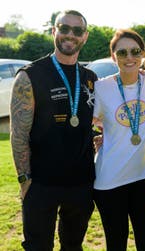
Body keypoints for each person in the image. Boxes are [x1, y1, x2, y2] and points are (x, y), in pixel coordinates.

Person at [10, 10, 97, 251]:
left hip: (81, 183)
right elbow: (18, 134)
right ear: (54, 31)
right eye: (64, 28)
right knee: (38, 247)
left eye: (77, 31)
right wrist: (24, 179)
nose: (70, 35)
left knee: (73, 246)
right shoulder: (31, 75)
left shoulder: (90, 77)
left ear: (85, 36)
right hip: (41, 183)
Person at [92, 29, 145, 251]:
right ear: (113, 57)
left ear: (144, 54)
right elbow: (89, 122)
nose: (129, 57)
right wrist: (100, 136)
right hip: (109, 181)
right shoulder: (101, 87)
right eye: (122, 52)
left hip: (143, 177)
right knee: (116, 245)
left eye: (135, 51)